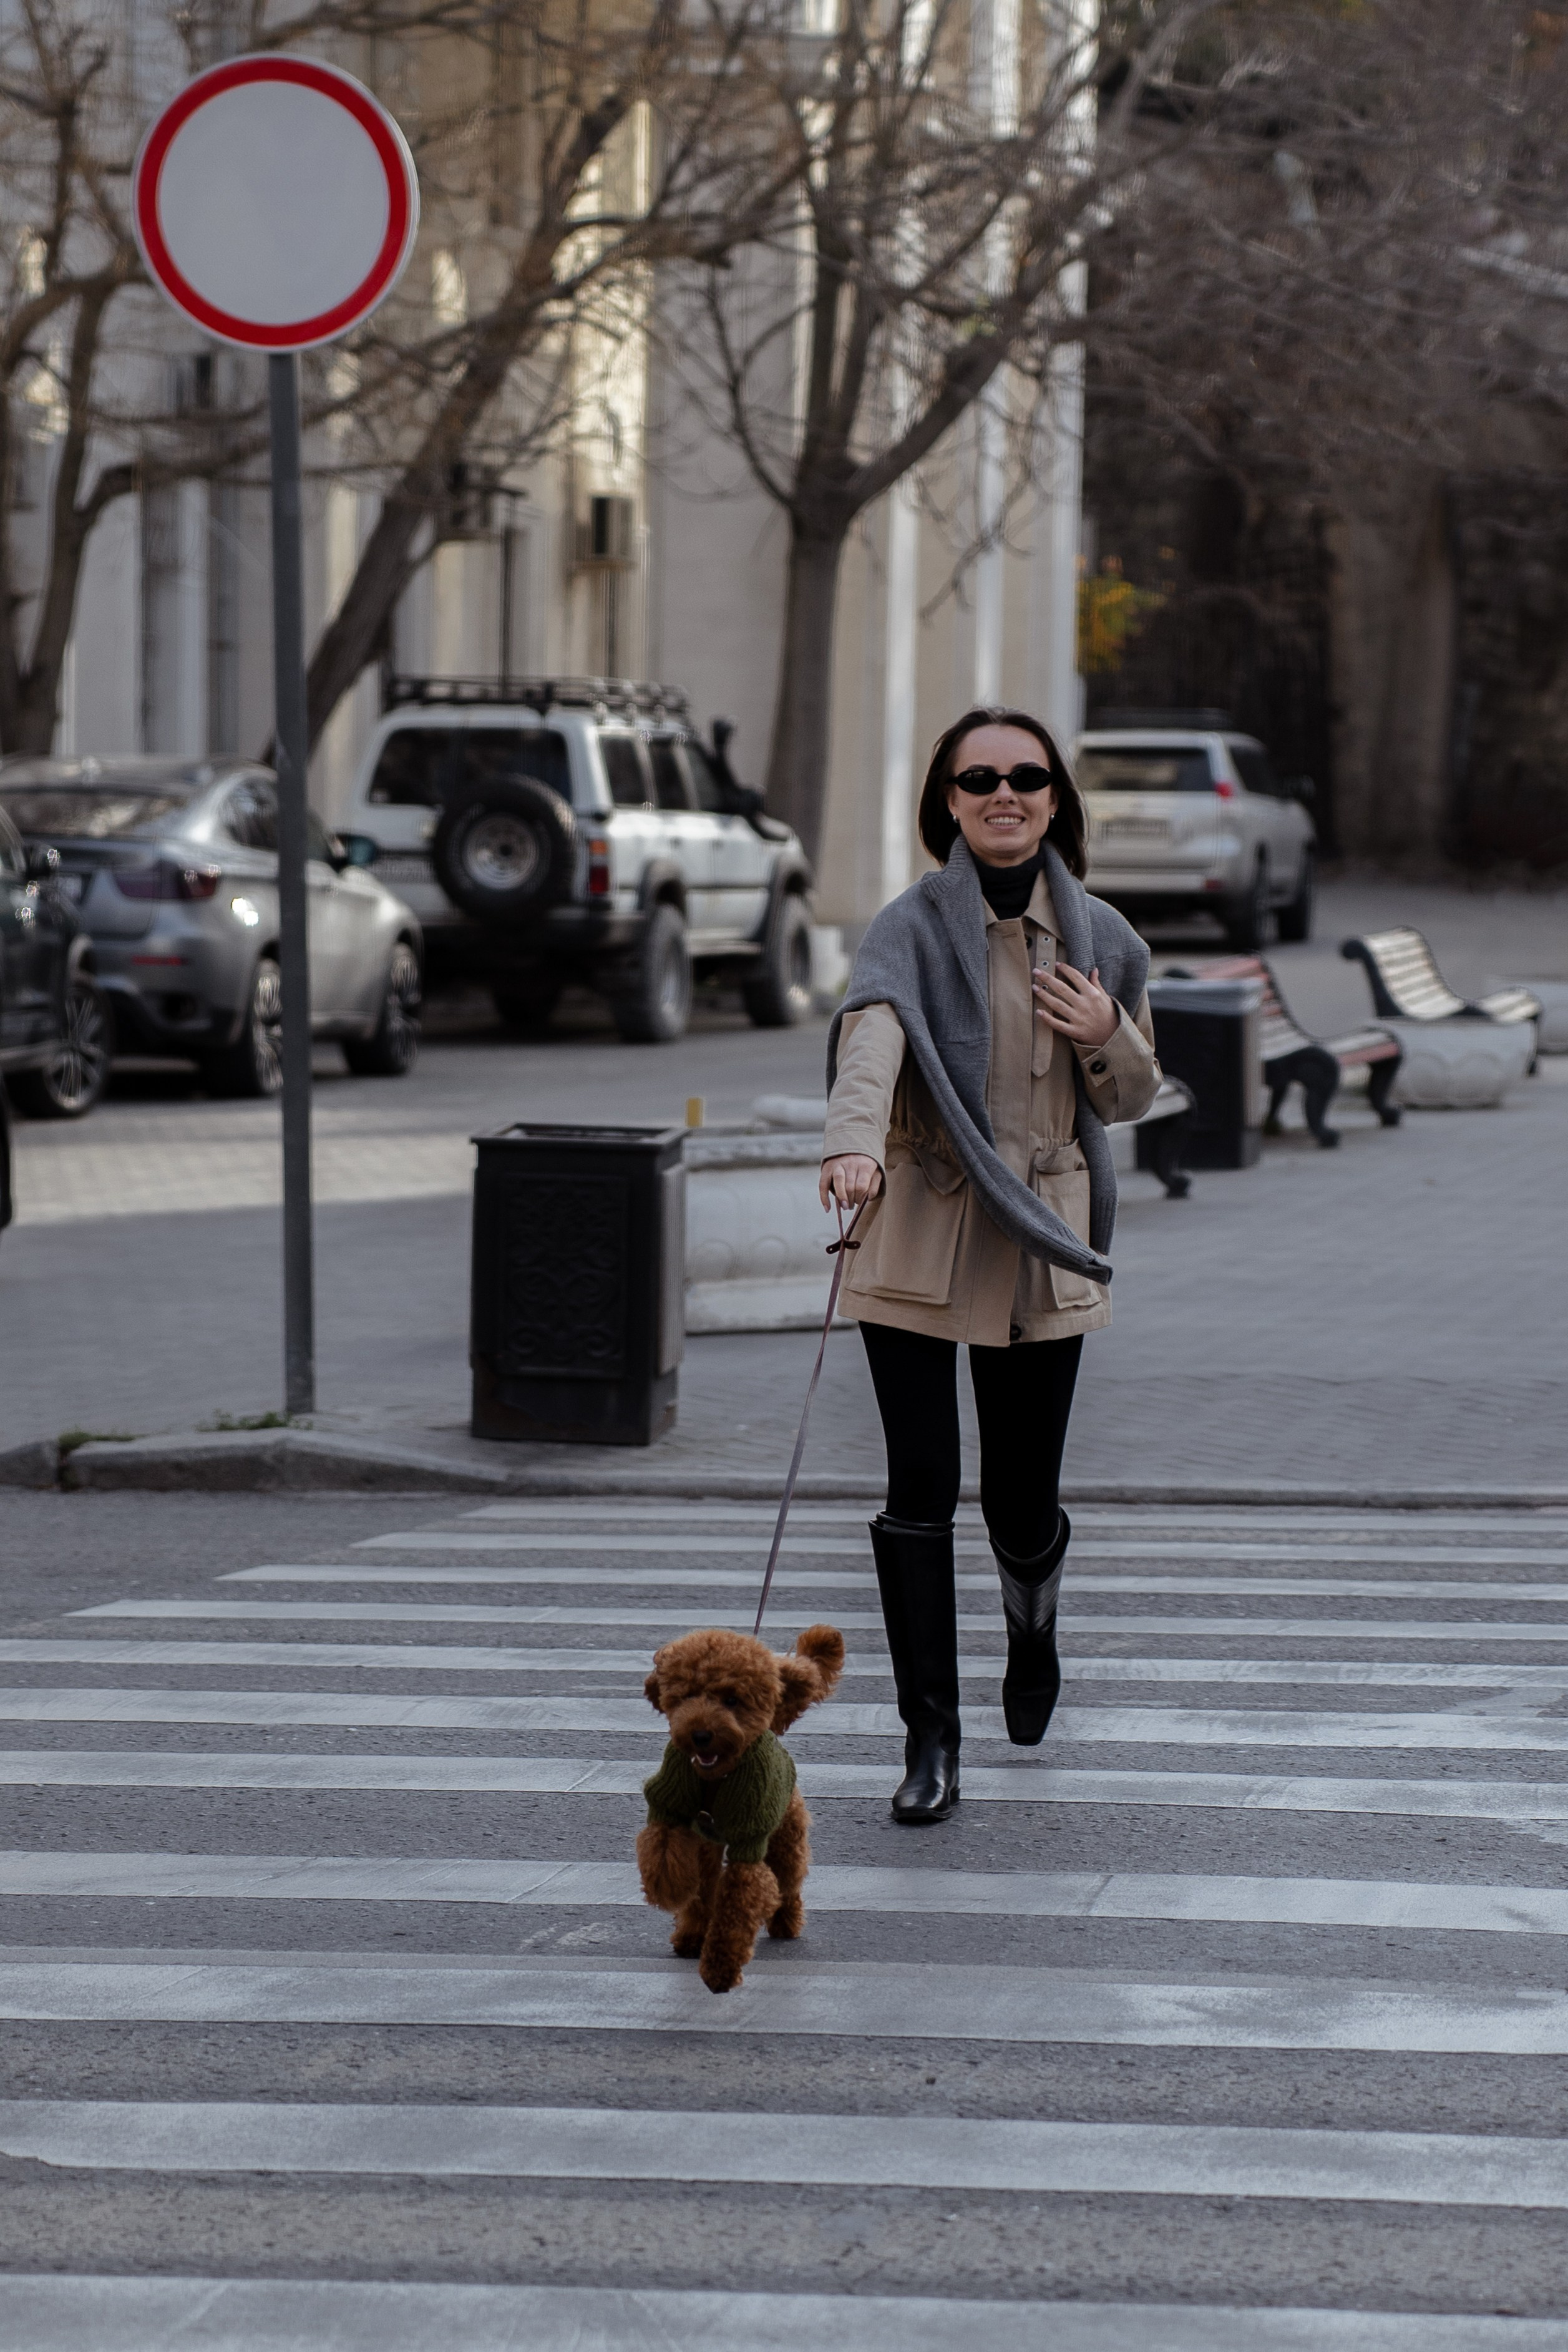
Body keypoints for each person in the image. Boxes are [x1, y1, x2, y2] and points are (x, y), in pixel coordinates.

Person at [820, 706, 1162, 1824]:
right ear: (949, 804)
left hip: (1038, 1240)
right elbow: (872, 1035)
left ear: (1055, 797)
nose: (1002, 794)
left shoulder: (1101, 936)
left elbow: (1129, 1095)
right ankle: (930, 1741)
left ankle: (1032, 1622)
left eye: (1025, 776)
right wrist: (851, 1143)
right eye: (978, 780)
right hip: (920, 1225)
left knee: (1019, 1500)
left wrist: (1103, 1025)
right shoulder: (908, 927)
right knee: (918, 1486)